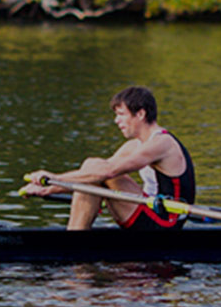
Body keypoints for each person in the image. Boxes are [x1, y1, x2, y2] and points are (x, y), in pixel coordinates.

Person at [18, 86, 196, 230]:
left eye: (121, 114)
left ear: (140, 114)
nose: (116, 121)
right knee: (93, 166)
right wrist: (48, 188)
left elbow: (109, 172)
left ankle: (74, 242)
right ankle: (74, 235)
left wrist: (53, 178)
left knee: (97, 166)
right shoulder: (134, 146)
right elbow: (93, 176)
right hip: (149, 213)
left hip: (166, 222)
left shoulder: (162, 144)